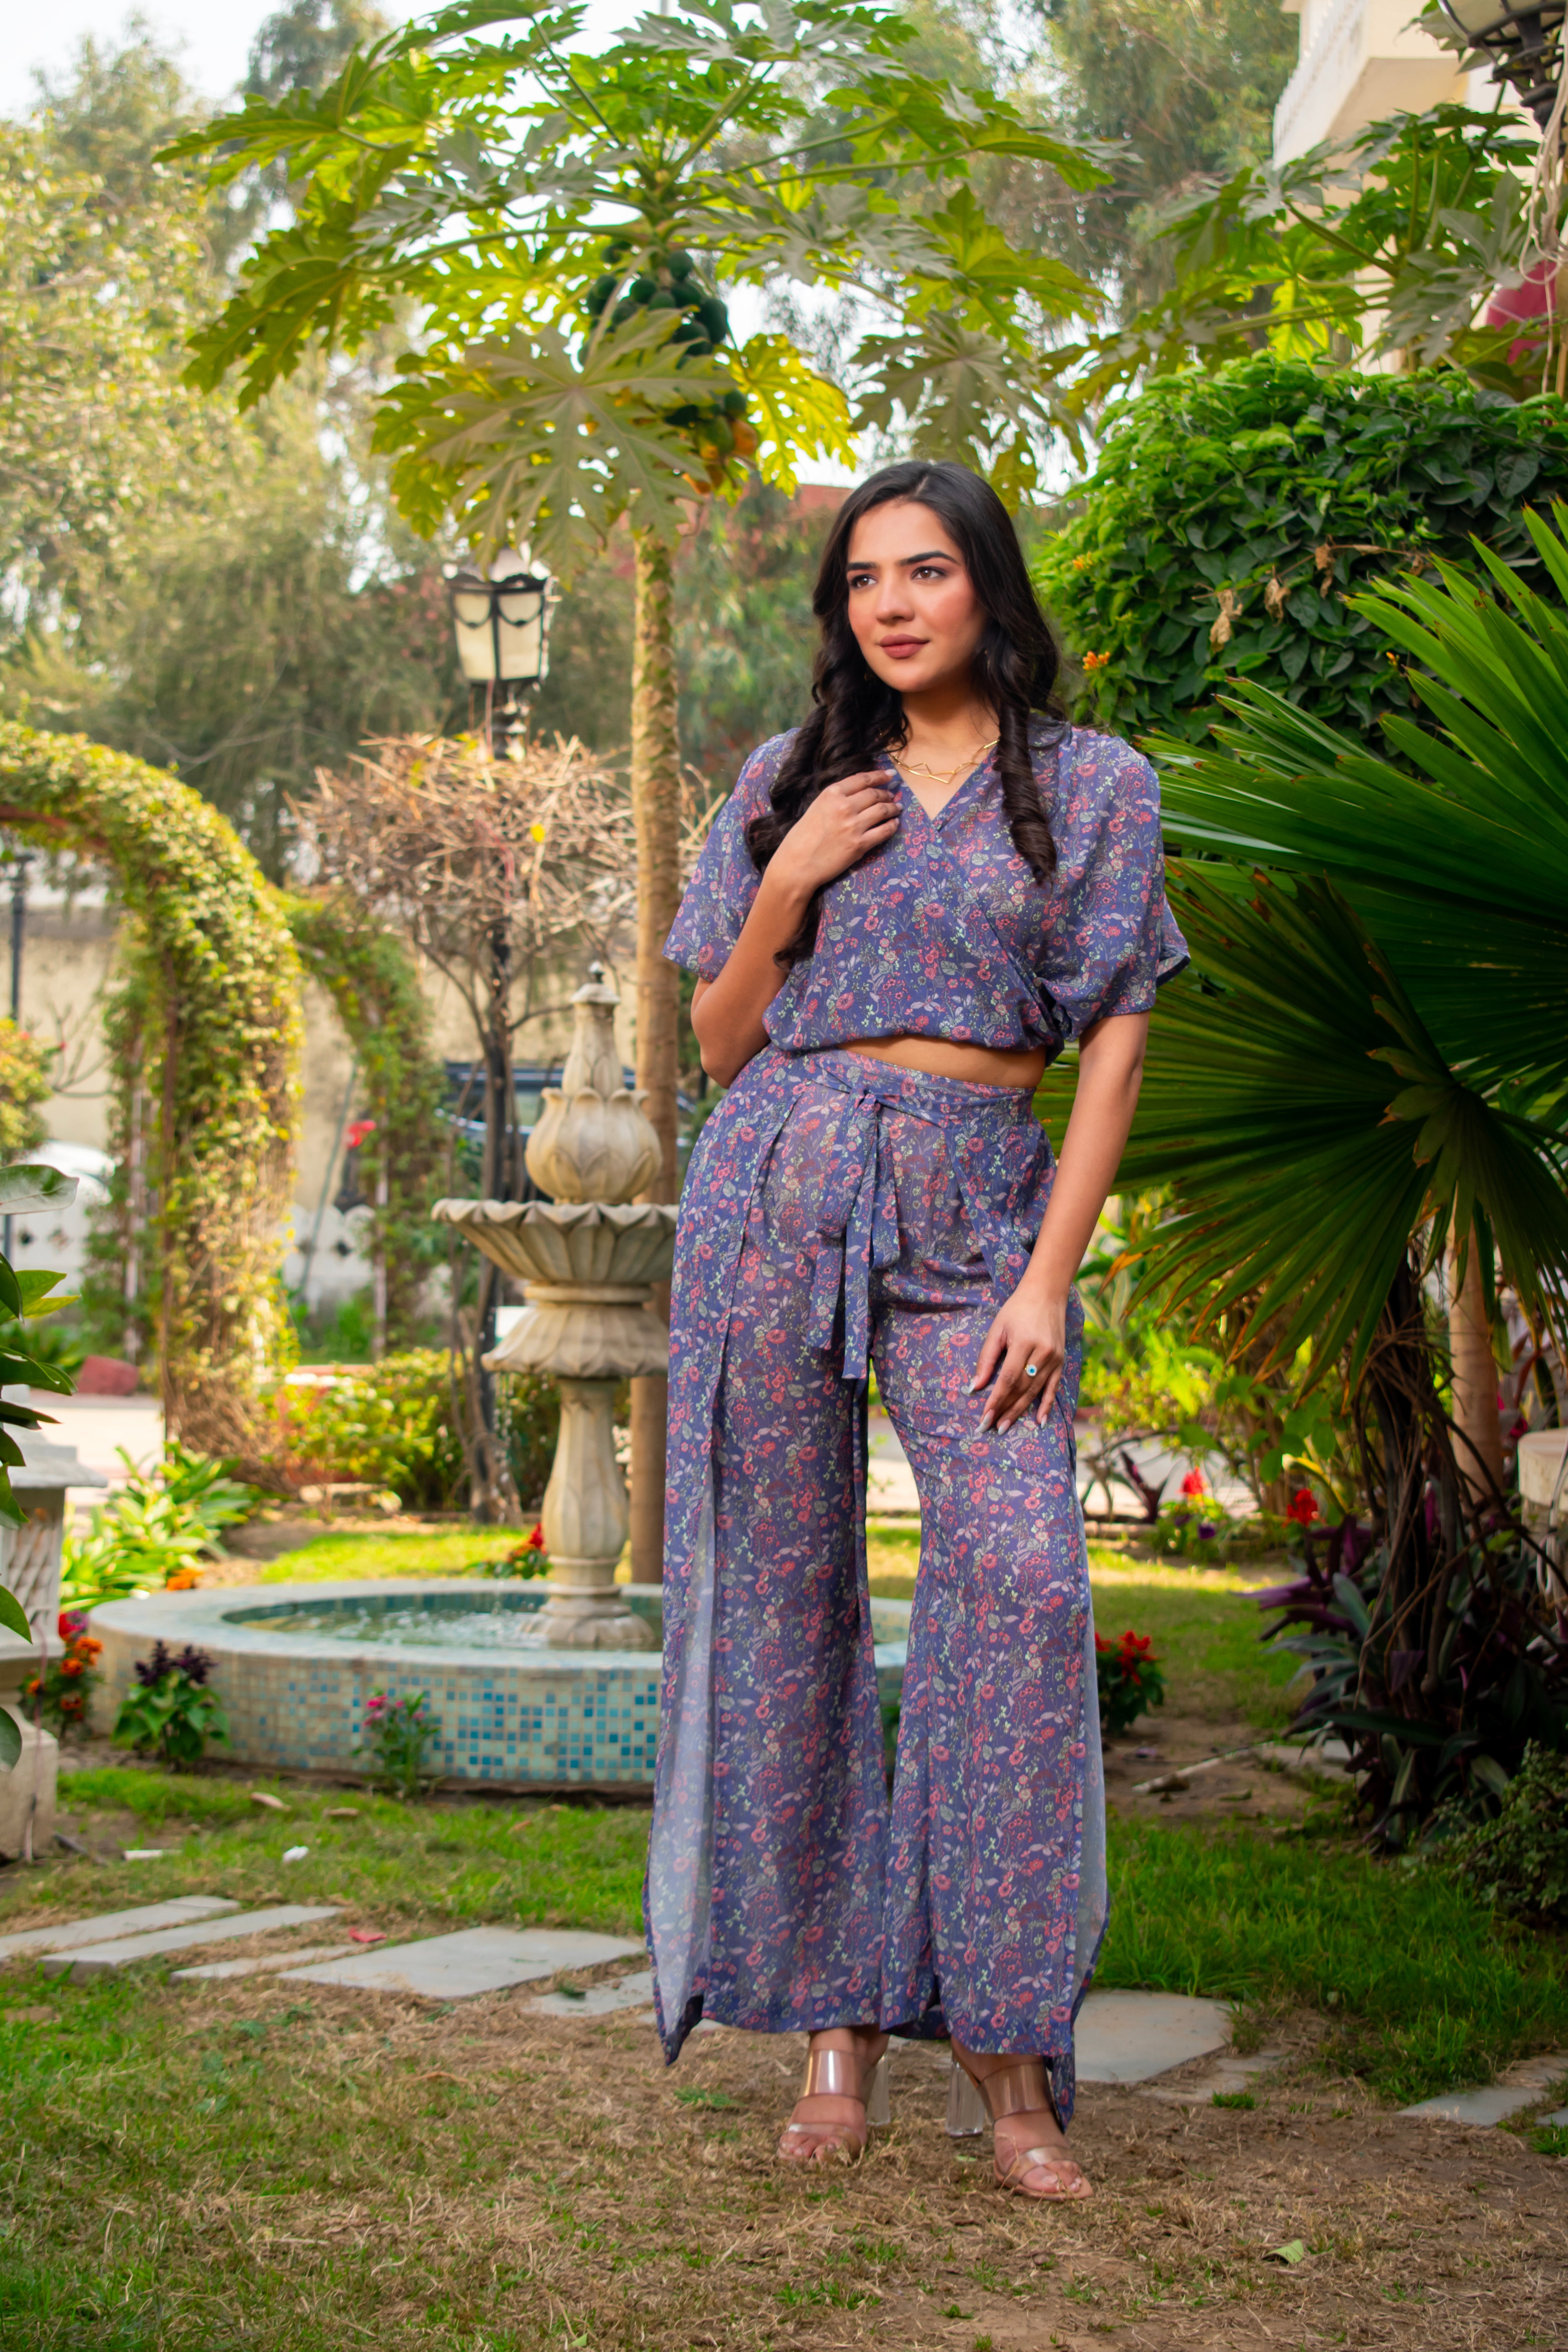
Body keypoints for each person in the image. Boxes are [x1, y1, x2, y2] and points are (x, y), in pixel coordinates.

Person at [645, 459, 1187, 2203]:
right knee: (789, 1608)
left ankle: (1007, 2053)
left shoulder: (1093, 787)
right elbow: (722, 1043)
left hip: (977, 1211)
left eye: (927, 571)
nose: (891, 604)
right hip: (777, 1182)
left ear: (987, 593)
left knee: (1020, 1594)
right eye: (864, 578)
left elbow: (1112, 1042)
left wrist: (1047, 1273)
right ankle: (829, 2030)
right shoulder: (783, 780)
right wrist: (787, 878)